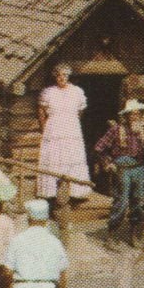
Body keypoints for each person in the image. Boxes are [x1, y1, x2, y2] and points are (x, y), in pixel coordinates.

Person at [93, 99, 144, 241]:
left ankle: (133, 233)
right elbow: (99, 148)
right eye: (132, 114)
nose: (135, 116)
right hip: (122, 168)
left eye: (137, 114)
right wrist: (107, 163)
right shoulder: (116, 130)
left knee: (138, 201)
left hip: (139, 169)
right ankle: (111, 234)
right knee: (122, 201)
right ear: (126, 116)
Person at [35, 64, 91, 205]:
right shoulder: (48, 92)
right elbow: (41, 110)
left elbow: (80, 111)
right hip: (53, 127)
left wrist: (71, 121)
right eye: (59, 75)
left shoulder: (77, 91)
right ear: (55, 77)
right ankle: (52, 192)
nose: (62, 78)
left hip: (71, 127)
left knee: (72, 155)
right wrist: (44, 127)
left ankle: (74, 192)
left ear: (68, 76)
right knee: (55, 156)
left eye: (65, 75)